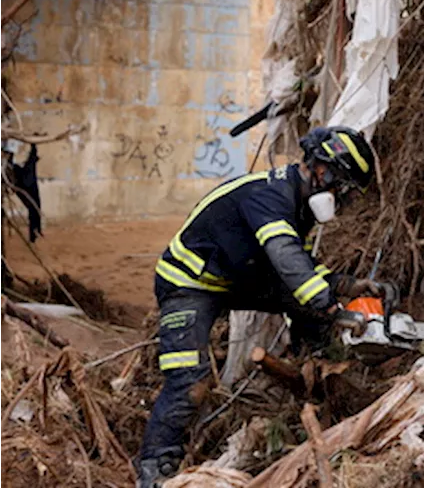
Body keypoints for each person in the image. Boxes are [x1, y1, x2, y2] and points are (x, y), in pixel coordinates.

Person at [136, 126, 396, 487]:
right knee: (190, 381)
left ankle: (316, 382)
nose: (343, 197)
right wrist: (332, 306)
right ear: (322, 171)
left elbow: (298, 262)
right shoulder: (269, 196)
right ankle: (154, 470)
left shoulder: (296, 200)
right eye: (344, 187)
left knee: (309, 304)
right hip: (189, 284)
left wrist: (343, 285)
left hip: (238, 279)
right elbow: (285, 257)